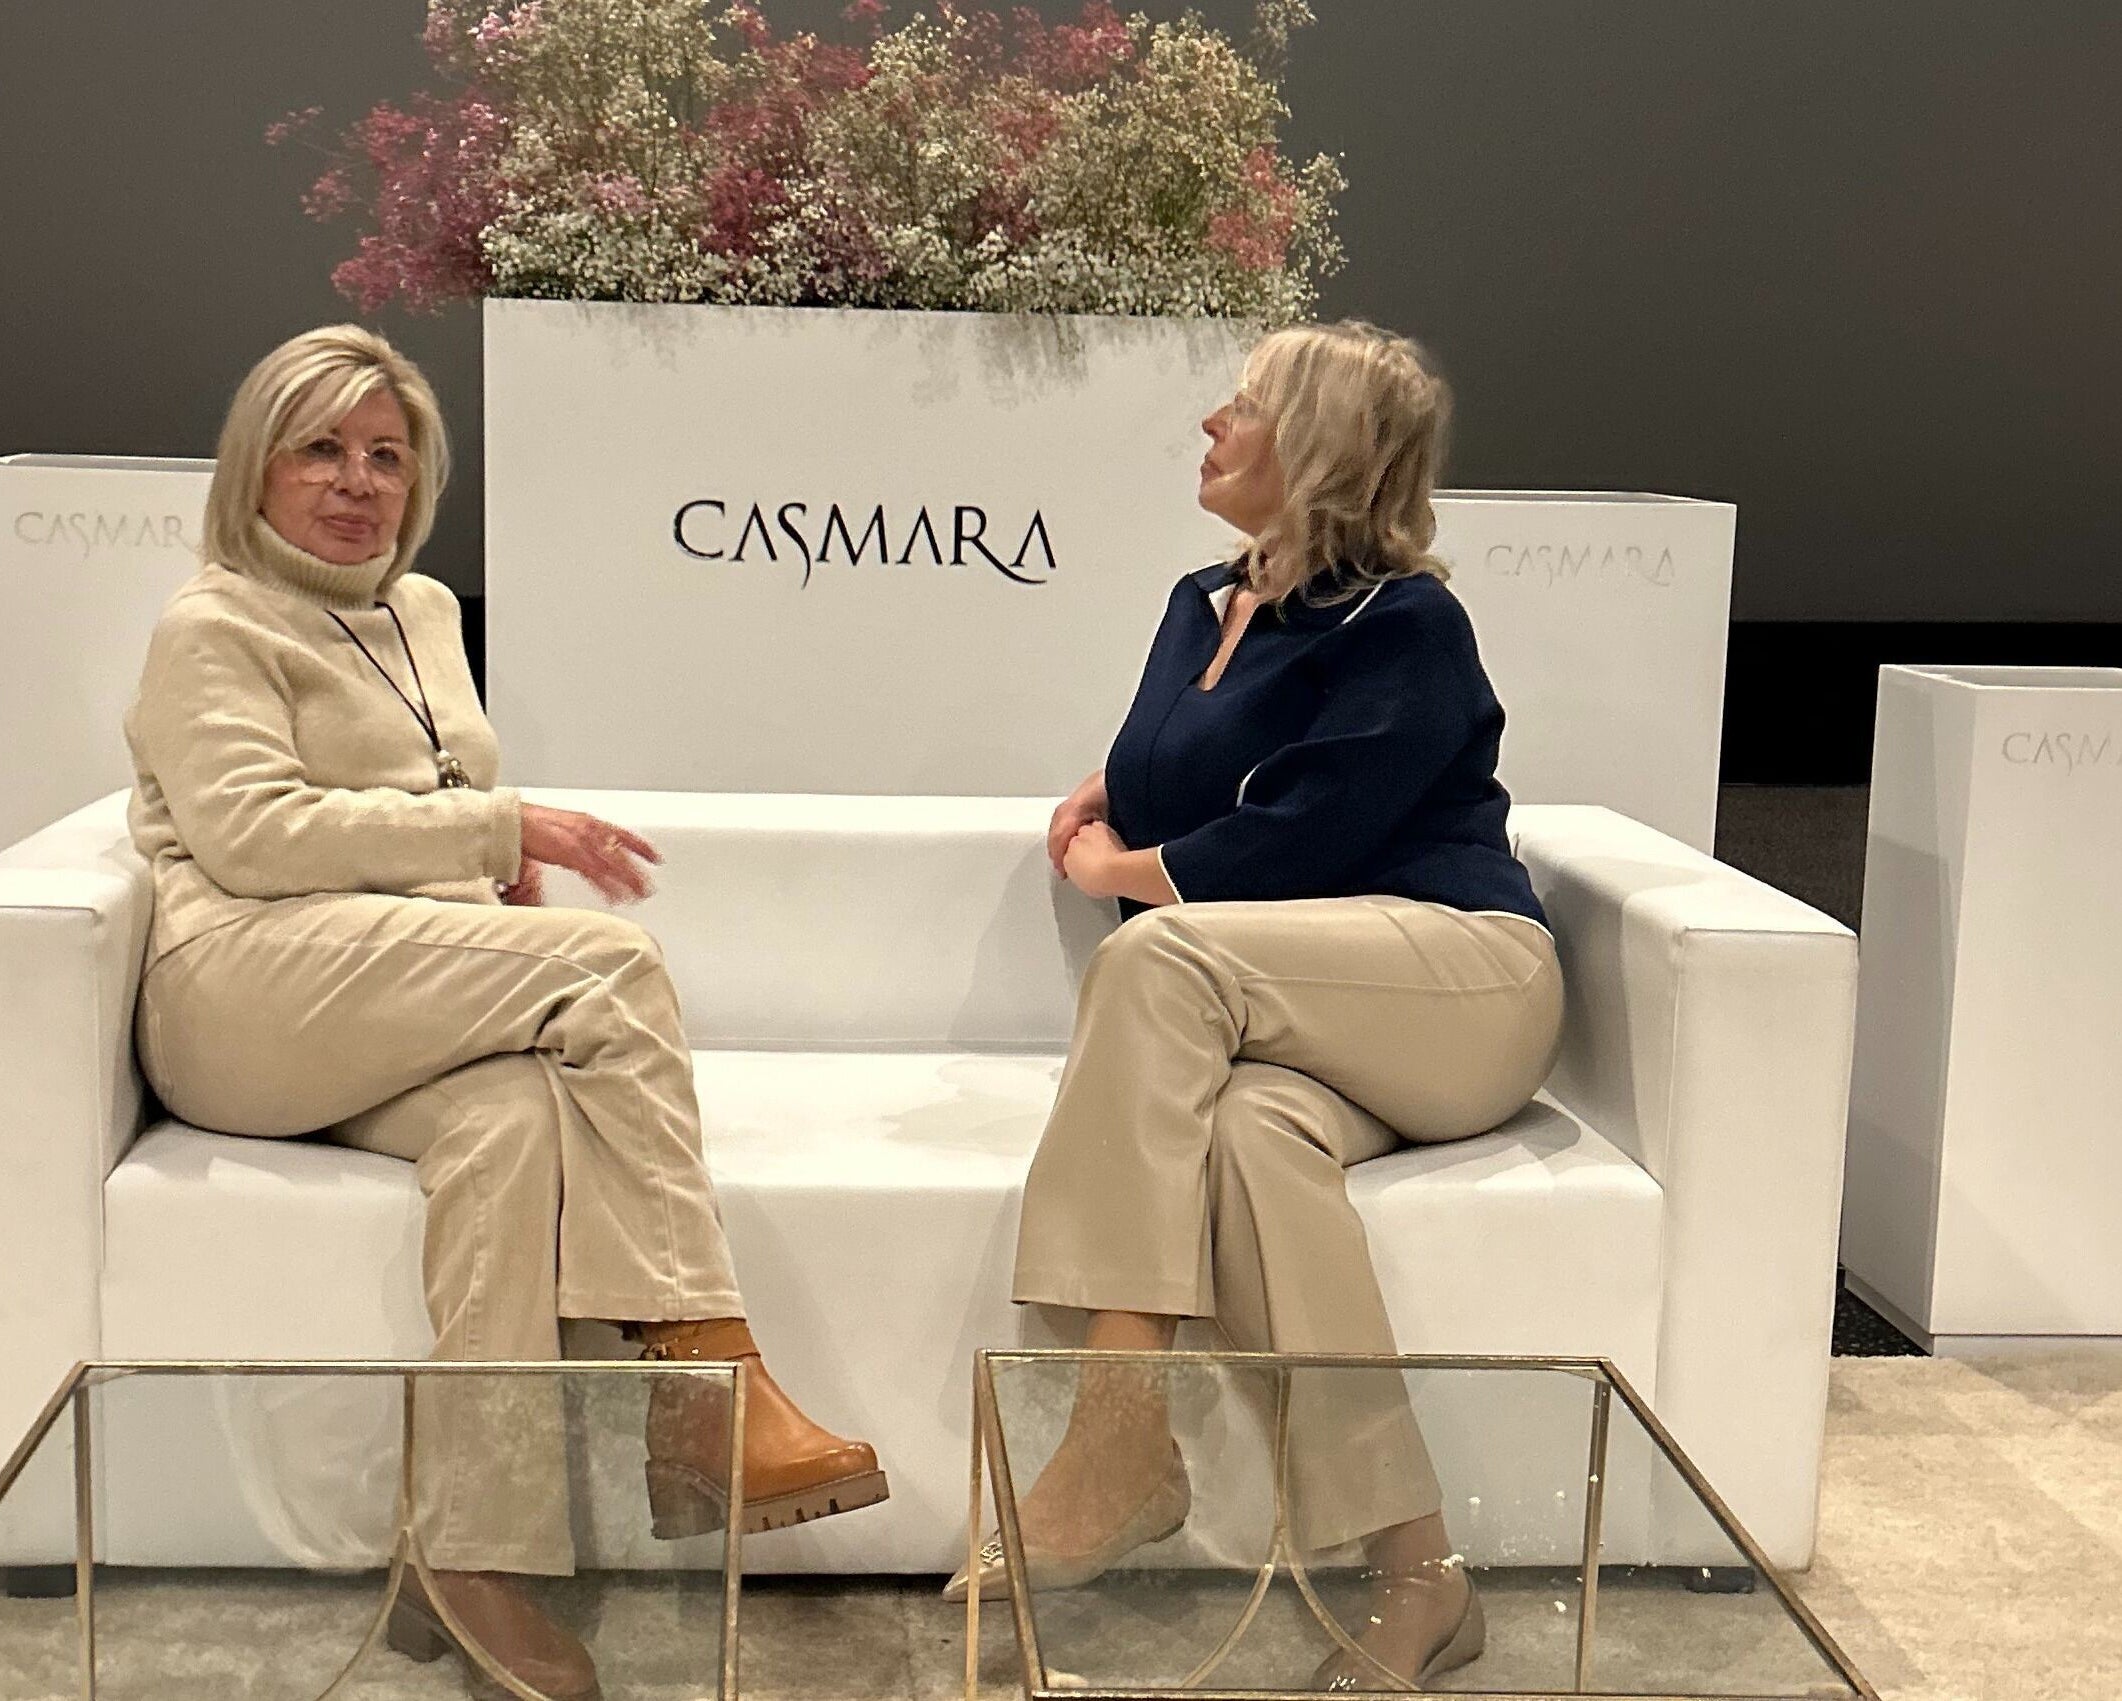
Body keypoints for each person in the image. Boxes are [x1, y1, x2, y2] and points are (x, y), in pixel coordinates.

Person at [126, 324, 887, 1701]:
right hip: (237, 990)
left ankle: (469, 1556)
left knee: (514, 1121)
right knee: (612, 966)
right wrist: (498, 828)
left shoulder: (420, 610)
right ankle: (704, 1385)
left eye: (385, 454)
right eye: (320, 449)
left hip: (376, 988)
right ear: (256, 466)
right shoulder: (212, 625)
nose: (357, 481)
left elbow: (426, 793)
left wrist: (481, 880)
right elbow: (252, 835)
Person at [948, 321, 1561, 1693]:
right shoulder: (1199, 603)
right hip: (1304, 1019)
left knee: (1158, 960)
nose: (1210, 426)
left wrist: (1119, 869)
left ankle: (1118, 1432)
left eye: (1245, 407)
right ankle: (1420, 1574)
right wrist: (1114, 797)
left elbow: (1300, 834)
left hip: (1457, 980)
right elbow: (1170, 779)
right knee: (1247, 1145)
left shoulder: (1405, 623)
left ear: (1323, 446)